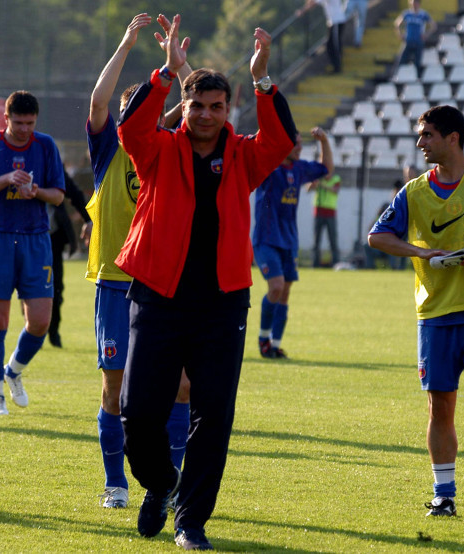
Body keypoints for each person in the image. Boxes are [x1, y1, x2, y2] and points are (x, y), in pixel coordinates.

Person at [116, 14, 296, 549]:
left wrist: (263, 78)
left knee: (212, 417)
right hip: (157, 295)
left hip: (221, 304)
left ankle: (190, 521)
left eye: (218, 107)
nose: (207, 115)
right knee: (137, 414)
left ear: (228, 110)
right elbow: (130, 128)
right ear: (185, 108)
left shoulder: (244, 155)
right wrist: (165, 74)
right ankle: (160, 483)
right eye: (198, 106)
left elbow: (281, 139)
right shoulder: (158, 150)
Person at [368, 105, 464, 518]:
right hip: (435, 315)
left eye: (427, 135)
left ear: (452, 137)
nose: (420, 143)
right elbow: (378, 237)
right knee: (441, 406)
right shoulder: (414, 191)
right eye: (420, 136)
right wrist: (421, 252)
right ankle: (443, 494)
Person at [86, 13, 192, 511]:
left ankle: (169, 485)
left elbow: (200, 102)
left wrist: (178, 63)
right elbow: (99, 102)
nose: (136, 117)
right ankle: (116, 484)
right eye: (133, 109)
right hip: (113, 282)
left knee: (180, 386)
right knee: (114, 389)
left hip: (162, 282)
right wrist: (126, 45)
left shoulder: (169, 147)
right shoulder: (110, 147)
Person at [0, 91, 65, 416]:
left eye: (30, 123)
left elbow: (58, 196)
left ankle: (13, 370)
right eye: (18, 122)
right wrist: (7, 178)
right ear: (5, 119)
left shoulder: (45, 145)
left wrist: (36, 191)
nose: (24, 129)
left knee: (39, 321)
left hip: (36, 240)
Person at [253, 127, 333, 359]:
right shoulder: (269, 167)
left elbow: (326, 170)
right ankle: (263, 339)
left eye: (299, 143)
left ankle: (275, 345)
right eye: (295, 143)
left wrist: (324, 141)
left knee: (285, 293)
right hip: (266, 239)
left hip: (289, 240)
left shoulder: (298, 168)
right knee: (276, 287)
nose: (299, 147)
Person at [47, 168, 91, 348]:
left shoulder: (49, 160)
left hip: (52, 238)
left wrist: (88, 219)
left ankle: (53, 331)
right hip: (23, 238)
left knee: (56, 288)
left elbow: (74, 193)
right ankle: (34, 328)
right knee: (29, 289)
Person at [364, 180, 406, 269]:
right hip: (383, 243)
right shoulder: (385, 207)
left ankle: (397, 269)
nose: (396, 193)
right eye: (395, 191)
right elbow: (373, 226)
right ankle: (370, 269)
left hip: (396, 243)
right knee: (366, 246)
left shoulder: (406, 209)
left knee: (396, 244)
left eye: (398, 191)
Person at [297, 0, 347, 73]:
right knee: (330, 45)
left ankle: (337, 67)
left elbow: (313, 3)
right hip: (333, 22)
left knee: (334, 45)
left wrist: (302, 11)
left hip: (337, 22)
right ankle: (336, 66)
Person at [394, 0, 436, 78]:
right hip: (408, 41)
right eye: (413, 3)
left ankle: (418, 78)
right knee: (401, 61)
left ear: (419, 4)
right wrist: (400, 34)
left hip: (418, 42)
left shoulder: (423, 14)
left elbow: (433, 25)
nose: (414, 5)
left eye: (416, 3)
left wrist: (426, 34)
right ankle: (397, 76)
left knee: (417, 62)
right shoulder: (407, 14)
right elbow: (397, 24)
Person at [307, 172, 341, 267]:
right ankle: (315, 263)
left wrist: (322, 185)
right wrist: (313, 182)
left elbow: (335, 190)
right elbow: (308, 189)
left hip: (330, 213)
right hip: (318, 212)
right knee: (316, 241)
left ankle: (335, 263)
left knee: (333, 240)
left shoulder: (336, 178)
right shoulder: (318, 178)